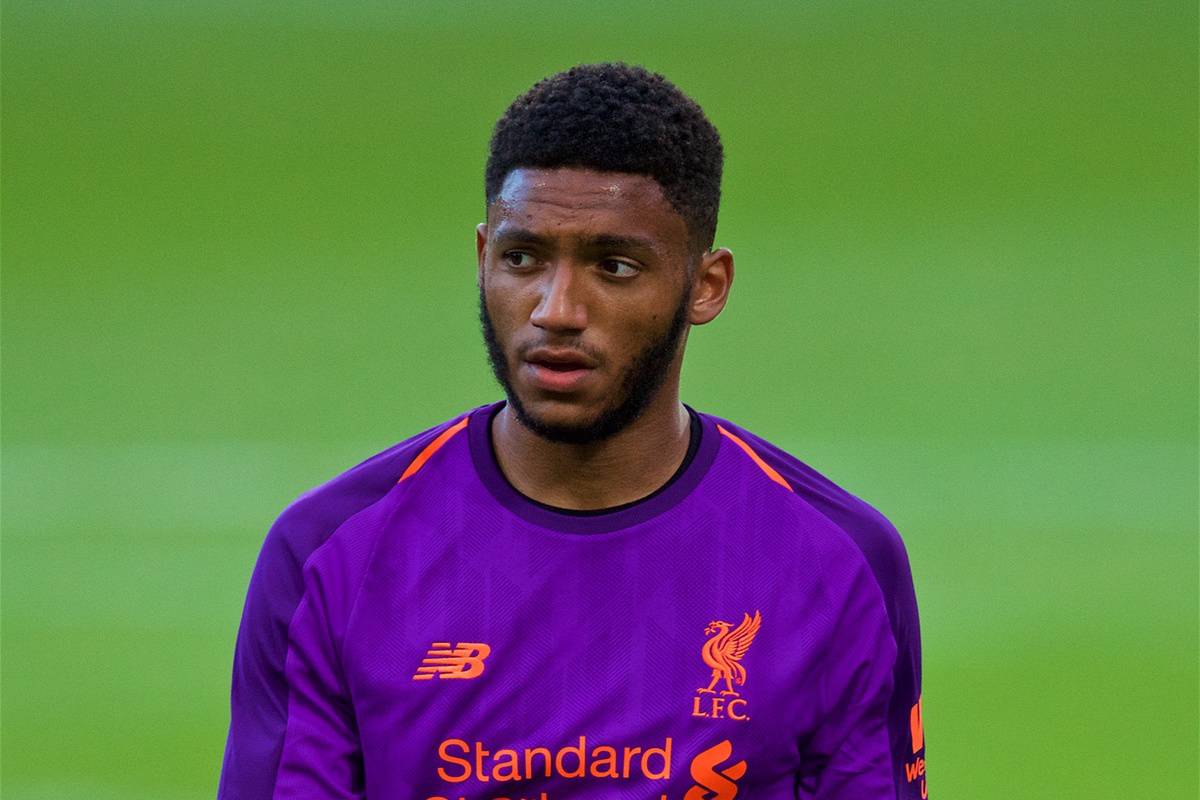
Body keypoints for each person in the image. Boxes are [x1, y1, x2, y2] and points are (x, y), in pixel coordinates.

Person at [218, 62, 927, 800]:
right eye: (522, 258)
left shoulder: (833, 562)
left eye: (614, 266)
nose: (556, 308)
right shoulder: (330, 557)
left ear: (705, 286)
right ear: (482, 258)